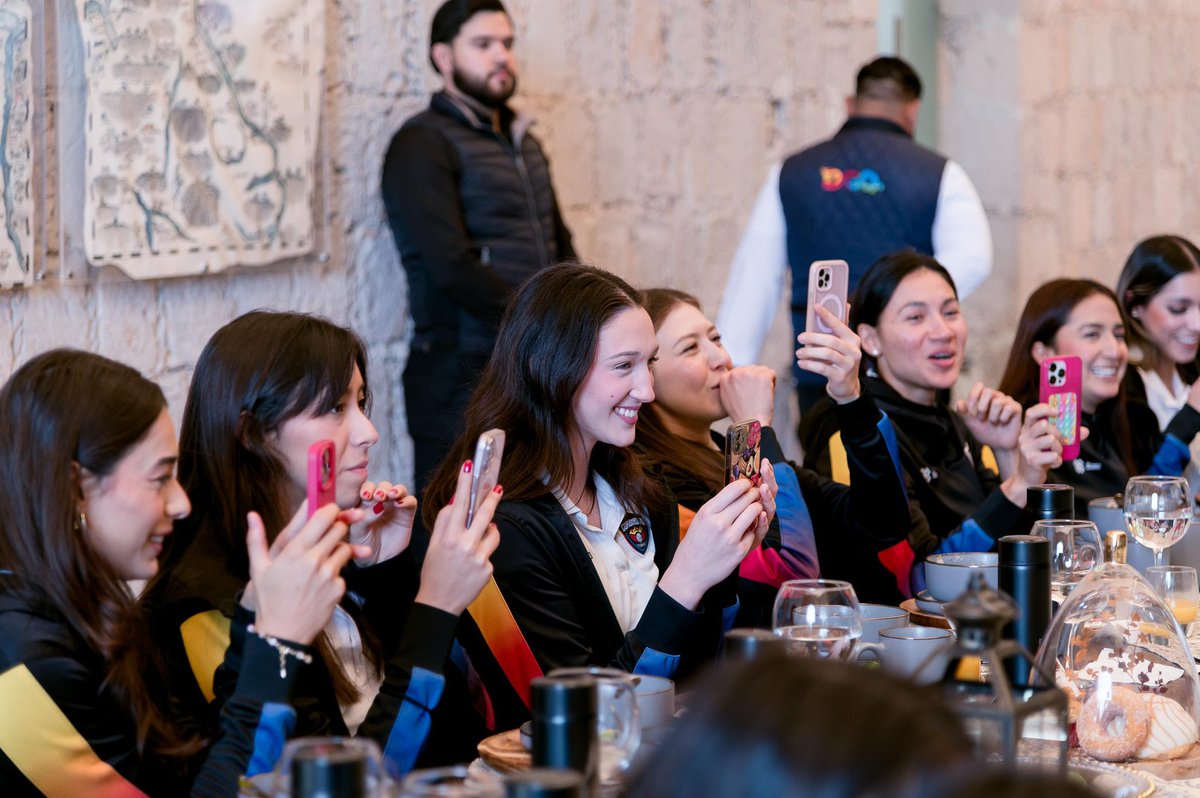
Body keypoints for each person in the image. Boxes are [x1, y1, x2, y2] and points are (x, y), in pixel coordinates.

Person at [421, 264, 774, 734]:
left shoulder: (642, 488)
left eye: (648, 363)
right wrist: (685, 580)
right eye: (623, 366)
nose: (647, 391)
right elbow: (576, 721)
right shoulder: (500, 528)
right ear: (550, 368)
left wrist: (725, 563)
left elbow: (699, 670)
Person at [144, 312, 500, 775]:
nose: (368, 432)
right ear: (255, 435)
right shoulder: (203, 606)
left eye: (360, 402)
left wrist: (386, 575)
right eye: (335, 408)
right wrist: (436, 607)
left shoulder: (328, 555)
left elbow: (448, 740)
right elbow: (341, 781)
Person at [0, 349, 355, 795]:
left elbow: (193, 777)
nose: (181, 503)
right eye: (159, 478)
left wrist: (252, 616)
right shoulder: (22, 666)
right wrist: (276, 647)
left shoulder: (88, 614)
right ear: (77, 489)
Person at [717, 56, 992, 411]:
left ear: (851, 104)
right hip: (907, 377)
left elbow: (755, 275)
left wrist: (733, 367)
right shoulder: (941, 173)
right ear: (913, 110)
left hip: (820, 364)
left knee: (825, 462)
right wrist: (895, 314)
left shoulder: (792, 171)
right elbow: (974, 260)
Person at [381, 0, 576, 488]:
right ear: (443, 57)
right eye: (483, 44)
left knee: (525, 516)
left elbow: (561, 245)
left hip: (531, 362)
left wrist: (580, 317)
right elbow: (451, 267)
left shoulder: (523, 141)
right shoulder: (422, 143)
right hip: (457, 371)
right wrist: (540, 325)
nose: (501, 56)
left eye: (506, 44)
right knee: (450, 514)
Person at [634, 288, 914, 622]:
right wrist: (753, 429)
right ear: (645, 375)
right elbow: (787, 577)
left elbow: (884, 522)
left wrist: (850, 398)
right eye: (691, 348)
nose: (721, 358)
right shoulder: (655, 480)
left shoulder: (727, 452)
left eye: (715, 338)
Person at [800, 253, 1060, 601]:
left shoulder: (955, 421)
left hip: (987, 620)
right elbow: (916, 577)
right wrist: (1019, 485)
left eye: (951, 312)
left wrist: (1007, 453)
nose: (943, 331)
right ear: (870, 339)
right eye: (916, 317)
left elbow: (1022, 556)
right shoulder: (848, 427)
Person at [998, 278, 1200, 518]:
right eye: (1092, 334)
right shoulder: (1020, 434)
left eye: (1119, 335)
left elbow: (1149, 508)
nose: (1114, 351)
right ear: (1044, 353)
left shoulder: (1132, 420)